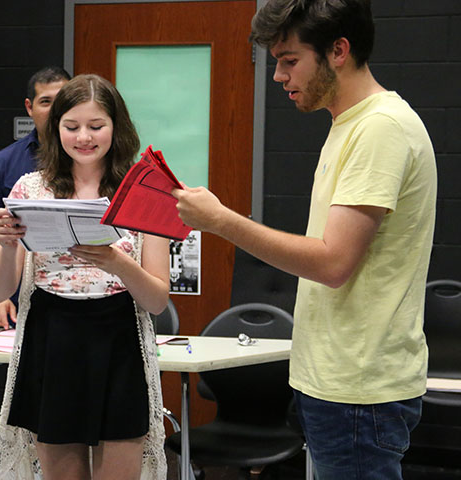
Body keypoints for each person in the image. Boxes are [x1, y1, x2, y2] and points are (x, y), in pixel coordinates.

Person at [173, 1, 436, 478]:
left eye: (290, 60)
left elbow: (333, 264)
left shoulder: (380, 129)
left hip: (359, 386)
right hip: (338, 380)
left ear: (339, 50)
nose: (278, 75)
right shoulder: (350, 124)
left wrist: (221, 221)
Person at [0, 74, 169, 480]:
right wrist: (6, 244)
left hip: (118, 337)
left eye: (96, 126)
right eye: (71, 127)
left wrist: (115, 261)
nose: (83, 137)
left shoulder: (143, 191)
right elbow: (1, 290)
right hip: (52, 337)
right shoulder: (30, 189)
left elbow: (157, 300)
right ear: (55, 130)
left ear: (116, 128)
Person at [0, 66, 70, 329]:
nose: (54, 110)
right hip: (17, 302)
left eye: (61, 101)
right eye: (45, 102)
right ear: (29, 107)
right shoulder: (5, 163)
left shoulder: (92, 161)